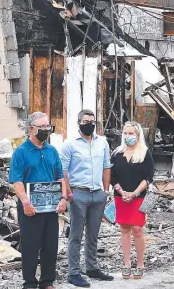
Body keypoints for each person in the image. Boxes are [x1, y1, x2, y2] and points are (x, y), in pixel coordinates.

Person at [10, 112, 68, 289]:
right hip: (30, 207)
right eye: (42, 127)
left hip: (51, 206)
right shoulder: (21, 152)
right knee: (30, 246)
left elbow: (60, 177)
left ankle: (47, 281)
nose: (46, 130)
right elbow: (16, 181)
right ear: (32, 129)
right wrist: (26, 203)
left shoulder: (52, 151)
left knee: (50, 245)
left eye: (47, 126)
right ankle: (29, 282)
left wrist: (64, 198)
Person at [60, 109, 114, 287]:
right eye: (85, 121)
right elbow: (63, 171)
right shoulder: (70, 144)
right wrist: (68, 194)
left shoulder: (102, 142)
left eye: (92, 121)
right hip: (78, 194)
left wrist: (105, 190)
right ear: (78, 123)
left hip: (97, 193)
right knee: (76, 235)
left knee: (93, 234)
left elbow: (107, 166)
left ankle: (92, 267)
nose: (89, 124)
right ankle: (73, 272)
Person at [107, 121, 154, 280]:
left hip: (139, 197)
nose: (128, 136)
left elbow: (148, 177)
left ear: (138, 135)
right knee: (124, 229)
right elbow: (112, 176)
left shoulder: (145, 153)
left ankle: (140, 264)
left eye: (131, 133)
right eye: (125, 133)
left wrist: (134, 193)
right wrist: (121, 191)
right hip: (121, 197)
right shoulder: (117, 153)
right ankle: (126, 263)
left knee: (138, 229)